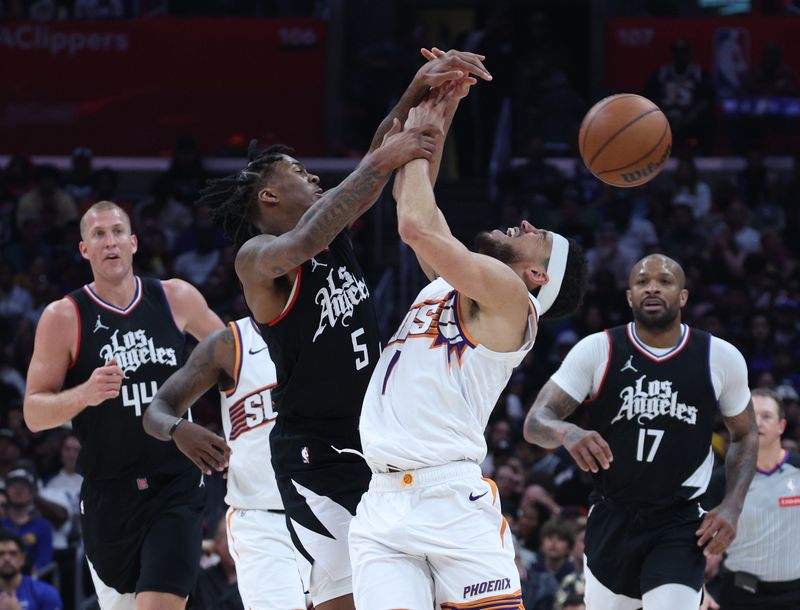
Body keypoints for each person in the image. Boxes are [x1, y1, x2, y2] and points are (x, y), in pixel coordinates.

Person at [197, 47, 492, 610]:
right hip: (315, 451)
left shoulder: (332, 227)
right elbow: (309, 234)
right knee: (345, 601)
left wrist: (422, 90)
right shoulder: (257, 258)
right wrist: (384, 159)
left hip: (377, 439)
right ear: (268, 196)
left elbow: (374, 157)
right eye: (299, 174)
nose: (314, 177)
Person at [349, 84, 588, 609]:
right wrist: (443, 110)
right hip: (382, 501)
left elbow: (414, 226)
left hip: (449, 501)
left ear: (537, 276)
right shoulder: (456, 286)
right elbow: (414, 205)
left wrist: (420, 133)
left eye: (538, 236)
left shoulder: (511, 300)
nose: (525, 223)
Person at [523, 254, 759, 610]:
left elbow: (745, 434)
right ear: (629, 296)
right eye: (642, 282)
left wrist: (732, 505)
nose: (652, 287)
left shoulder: (720, 357)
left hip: (679, 521)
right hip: (611, 517)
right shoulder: (597, 349)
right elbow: (535, 423)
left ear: (683, 296)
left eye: (664, 281)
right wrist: (565, 432)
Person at [22, 200, 223, 610]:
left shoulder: (175, 297)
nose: (109, 241)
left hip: (175, 485)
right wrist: (85, 394)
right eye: (98, 234)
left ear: (133, 243)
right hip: (108, 497)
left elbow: (236, 356)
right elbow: (33, 413)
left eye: (117, 232)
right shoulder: (63, 316)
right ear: (84, 249)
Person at [142, 317, 307, 610]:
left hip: (331, 504)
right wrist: (177, 428)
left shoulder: (328, 321)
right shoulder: (228, 343)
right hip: (261, 519)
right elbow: (157, 408)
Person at [705, 388, 800, 609]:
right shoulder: (721, 480)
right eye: (751, 416)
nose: (758, 422)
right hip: (741, 595)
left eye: (766, 416)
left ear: (782, 426)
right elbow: (690, 537)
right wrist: (701, 588)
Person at [187, 519, 243, 610]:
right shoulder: (202, 580)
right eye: (230, 542)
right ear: (217, 543)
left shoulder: (252, 584)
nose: (235, 549)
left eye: (239, 543)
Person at [0, 529, 61, 610]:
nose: (7, 558)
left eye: (13, 553)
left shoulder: (46, 593)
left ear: (22, 559)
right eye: (1, 553)